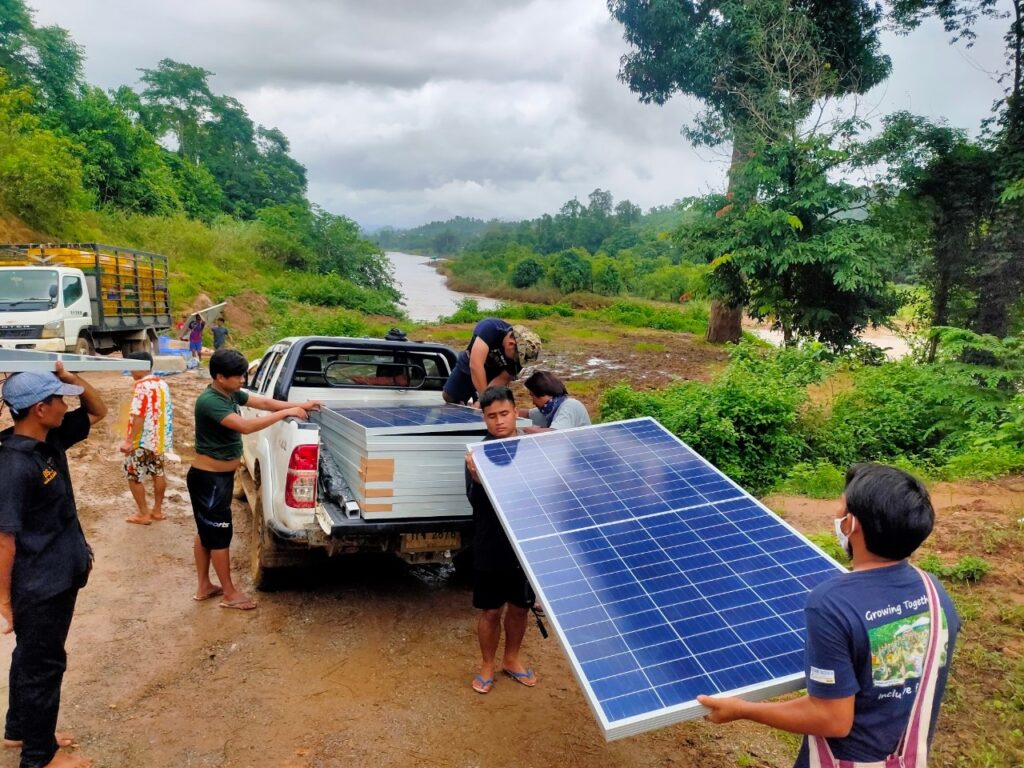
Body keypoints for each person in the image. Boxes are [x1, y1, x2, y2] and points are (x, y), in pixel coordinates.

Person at [697, 463, 960, 768]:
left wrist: (743, 710)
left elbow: (832, 718)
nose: (837, 514)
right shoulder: (934, 592)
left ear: (852, 525)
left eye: (842, 507)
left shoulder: (832, 604)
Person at [0, 364, 106, 768]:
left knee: (30, 656)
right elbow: (4, 539)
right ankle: (40, 757)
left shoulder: (49, 438)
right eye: (59, 399)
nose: (67, 404)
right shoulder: (14, 464)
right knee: (44, 665)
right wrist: (4, 597)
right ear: (39, 409)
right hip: (39, 584)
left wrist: (72, 375)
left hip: (57, 573)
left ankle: (21, 730)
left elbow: (96, 410)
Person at [188, 349, 321, 610]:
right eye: (237, 376)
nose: (242, 380)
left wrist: (299, 406)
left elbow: (263, 403)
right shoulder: (210, 401)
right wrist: (286, 414)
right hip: (209, 481)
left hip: (217, 478)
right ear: (219, 376)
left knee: (207, 532)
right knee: (218, 535)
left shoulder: (228, 393)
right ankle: (229, 593)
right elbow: (245, 426)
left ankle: (204, 586)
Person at [464, 386, 537, 694]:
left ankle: (512, 659)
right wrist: (482, 482)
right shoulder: (476, 455)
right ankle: (486, 665)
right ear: (484, 418)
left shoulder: (533, 449)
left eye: (504, 414)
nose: (499, 422)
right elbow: (477, 505)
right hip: (491, 546)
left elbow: (537, 497)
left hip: (525, 547)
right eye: (491, 416)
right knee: (490, 610)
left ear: (515, 411)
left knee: (520, 608)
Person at [120, 352, 173, 525]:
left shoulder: (141, 387)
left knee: (133, 475)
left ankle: (143, 513)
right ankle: (157, 510)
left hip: (141, 441)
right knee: (158, 473)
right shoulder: (162, 384)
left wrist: (129, 440)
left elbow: (139, 416)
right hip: (158, 440)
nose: (129, 370)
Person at [442, 318, 541, 406]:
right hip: (470, 363)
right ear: (511, 344)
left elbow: (502, 379)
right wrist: (484, 397)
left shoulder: (522, 357)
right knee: (448, 397)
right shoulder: (490, 328)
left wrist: (482, 401)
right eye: (516, 358)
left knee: (488, 405)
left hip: (494, 374)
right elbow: (476, 365)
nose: (516, 362)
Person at [518, 370, 591, 434]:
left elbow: (553, 435)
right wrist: (510, 416)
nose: (533, 402)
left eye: (532, 396)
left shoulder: (570, 406)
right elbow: (526, 414)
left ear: (543, 393)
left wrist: (524, 427)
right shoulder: (550, 410)